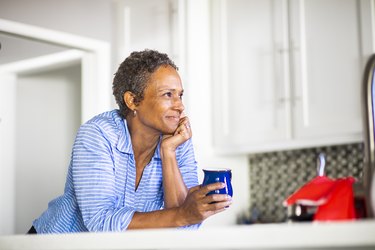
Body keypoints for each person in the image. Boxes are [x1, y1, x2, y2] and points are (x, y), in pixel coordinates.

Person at [29, 49, 232, 233]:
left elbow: (185, 223)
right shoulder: (98, 134)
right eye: (168, 95)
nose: (180, 106)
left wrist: (168, 152)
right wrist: (183, 215)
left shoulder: (178, 141)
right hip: (54, 242)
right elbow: (100, 221)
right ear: (132, 101)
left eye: (180, 95)